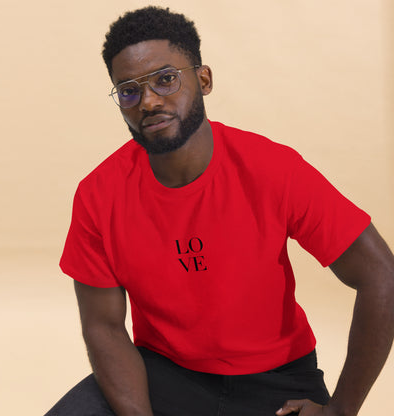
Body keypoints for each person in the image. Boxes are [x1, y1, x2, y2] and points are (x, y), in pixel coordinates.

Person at [45, 6, 394, 416]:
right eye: (128, 91)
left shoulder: (272, 169)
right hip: (162, 373)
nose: (149, 101)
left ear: (204, 79)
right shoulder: (98, 194)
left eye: (166, 79)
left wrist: (340, 411)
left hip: (276, 379)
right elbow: (103, 325)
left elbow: (381, 276)